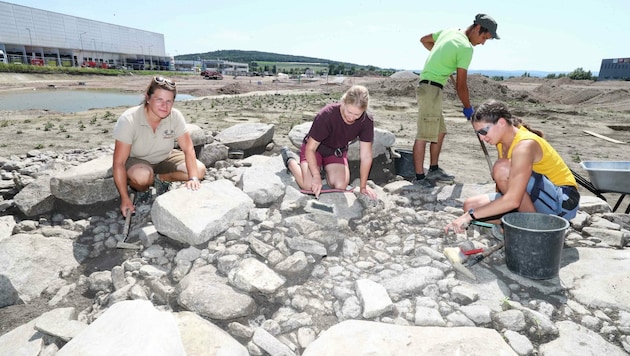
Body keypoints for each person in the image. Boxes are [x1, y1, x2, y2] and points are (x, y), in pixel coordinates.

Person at [444, 99, 580, 235]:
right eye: (478, 133)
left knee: (502, 169)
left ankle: (533, 227)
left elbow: (513, 199)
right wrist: (472, 212)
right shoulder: (502, 142)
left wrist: (469, 217)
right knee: (470, 206)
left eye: (483, 131)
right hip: (536, 198)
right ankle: (517, 221)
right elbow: (505, 188)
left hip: (562, 202)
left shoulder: (525, 145)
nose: (481, 138)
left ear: (501, 123)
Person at [413, 14, 500, 186]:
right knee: (424, 134)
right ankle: (420, 179)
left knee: (440, 131)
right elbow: (461, 85)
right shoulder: (465, 48)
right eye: (484, 37)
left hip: (430, 88)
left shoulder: (450, 32)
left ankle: (434, 169)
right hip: (431, 88)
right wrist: (468, 107)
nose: (482, 43)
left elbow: (424, 40)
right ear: (476, 28)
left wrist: (443, 58)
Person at [112, 76, 206, 217]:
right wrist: (124, 198)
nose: (165, 106)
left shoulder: (175, 116)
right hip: (137, 160)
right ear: (148, 98)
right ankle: (143, 189)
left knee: (198, 170)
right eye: (159, 100)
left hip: (165, 156)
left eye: (169, 101)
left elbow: (188, 149)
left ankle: (161, 178)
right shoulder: (129, 119)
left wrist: (193, 178)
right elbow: (118, 163)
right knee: (142, 177)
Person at [281, 85, 377, 200]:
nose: (351, 117)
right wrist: (316, 177)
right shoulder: (327, 114)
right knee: (309, 186)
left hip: (336, 152)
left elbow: (366, 156)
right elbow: (310, 149)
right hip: (315, 150)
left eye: (357, 115)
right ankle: (290, 160)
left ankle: (321, 169)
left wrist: (363, 186)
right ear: (343, 102)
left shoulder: (366, 120)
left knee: (340, 186)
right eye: (349, 112)